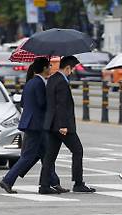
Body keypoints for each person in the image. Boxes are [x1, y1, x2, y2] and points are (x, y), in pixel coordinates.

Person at [0, 58, 65, 194]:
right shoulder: (40, 83)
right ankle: (7, 180)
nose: (51, 68)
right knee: (28, 156)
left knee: (46, 155)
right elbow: (42, 103)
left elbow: (23, 102)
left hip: (31, 123)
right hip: (37, 125)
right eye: (50, 66)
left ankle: (54, 182)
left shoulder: (30, 82)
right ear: (45, 68)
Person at [39, 56, 95, 194]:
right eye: (72, 69)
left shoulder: (51, 79)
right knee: (78, 150)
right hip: (62, 125)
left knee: (50, 156)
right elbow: (61, 105)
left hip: (51, 124)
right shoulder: (61, 82)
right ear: (68, 68)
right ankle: (78, 183)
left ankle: (44, 185)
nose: (72, 72)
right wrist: (63, 125)